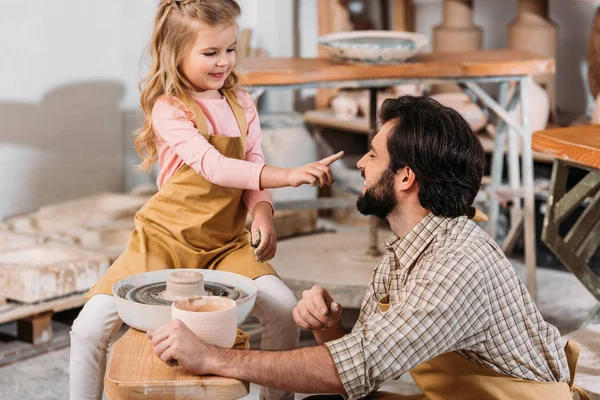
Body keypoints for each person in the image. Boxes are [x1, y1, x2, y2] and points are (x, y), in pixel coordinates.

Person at [150, 96, 589, 400]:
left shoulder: (457, 265)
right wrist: (328, 328)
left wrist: (211, 357)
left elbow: (354, 367)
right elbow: (356, 372)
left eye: (374, 155)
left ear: (405, 177)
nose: (360, 162)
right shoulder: (410, 250)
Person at [69, 1, 343, 399]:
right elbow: (215, 167)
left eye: (230, 49)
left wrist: (263, 212)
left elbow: (252, 165)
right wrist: (290, 176)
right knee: (89, 327)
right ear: (175, 52)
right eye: (210, 53)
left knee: (282, 307)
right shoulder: (170, 108)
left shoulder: (242, 103)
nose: (224, 62)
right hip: (163, 241)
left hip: (224, 244)